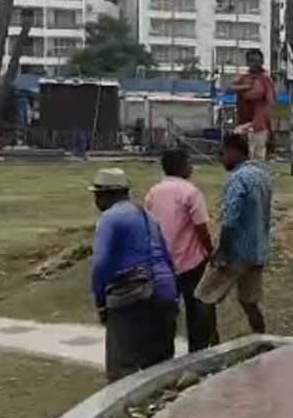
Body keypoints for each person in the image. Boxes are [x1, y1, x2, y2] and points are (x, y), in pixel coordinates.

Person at [89, 168, 179, 383]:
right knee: (160, 370)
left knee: (122, 371)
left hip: (133, 297)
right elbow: (168, 259)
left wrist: (101, 304)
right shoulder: (148, 217)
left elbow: (101, 265)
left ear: (105, 195)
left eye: (96, 195)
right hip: (165, 293)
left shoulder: (110, 219)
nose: (95, 200)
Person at [196, 134, 273, 334]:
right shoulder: (262, 175)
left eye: (222, 153)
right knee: (249, 301)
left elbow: (231, 219)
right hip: (257, 252)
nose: (220, 159)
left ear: (234, 151)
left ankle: (209, 348)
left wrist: (222, 251)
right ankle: (262, 341)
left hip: (235, 253)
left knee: (204, 298)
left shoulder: (238, 179)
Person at [145, 148, 217, 352]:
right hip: (192, 262)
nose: (192, 167)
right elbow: (201, 228)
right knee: (197, 314)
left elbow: (150, 226)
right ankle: (197, 356)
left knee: (166, 313)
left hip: (163, 264)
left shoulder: (153, 192)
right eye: (188, 163)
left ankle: (164, 357)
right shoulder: (190, 192)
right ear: (180, 166)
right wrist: (210, 252)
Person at [230, 48, 276, 161]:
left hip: (259, 123)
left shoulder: (265, 80)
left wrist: (272, 125)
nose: (254, 64)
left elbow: (271, 102)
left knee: (257, 156)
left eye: (257, 61)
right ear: (247, 62)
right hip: (243, 121)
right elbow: (230, 87)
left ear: (261, 62)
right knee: (242, 155)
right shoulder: (244, 78)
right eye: (251, 60)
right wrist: (246, 86)